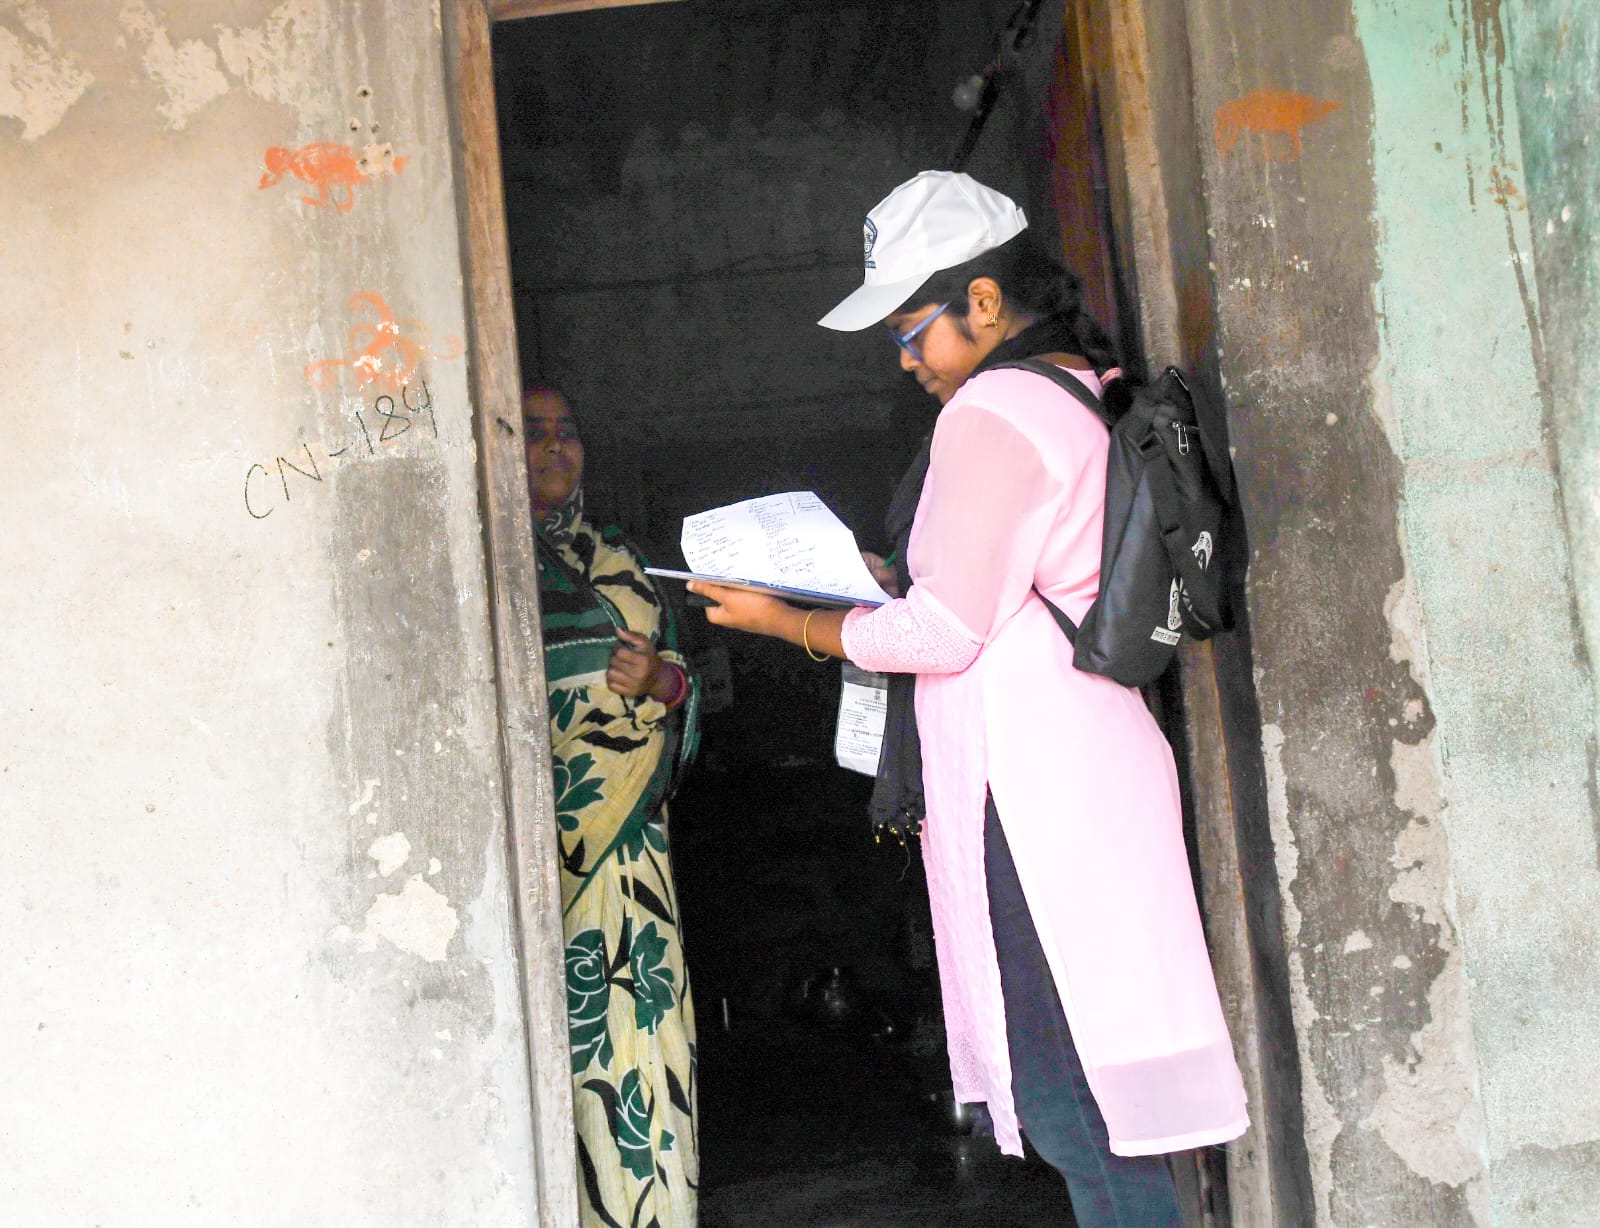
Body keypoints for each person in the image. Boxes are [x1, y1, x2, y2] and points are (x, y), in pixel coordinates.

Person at [688, 172, 1247, 1226]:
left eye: (912, 331)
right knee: (1093, 1088)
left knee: (1064, 1094)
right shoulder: (1077, 386)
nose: (906, 361)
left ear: (982, 303)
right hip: (1078, 766)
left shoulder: (993, 407)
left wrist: (786, 624)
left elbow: (945, 633)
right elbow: (987, 594)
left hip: (1030, 791)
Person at [526, 387, 701, 1228]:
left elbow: (684, 684)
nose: (554, 448)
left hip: (633, 861)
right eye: (532, 433)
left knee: (646, 1047)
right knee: (561, 1051)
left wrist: (660, 683)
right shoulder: (486, 554)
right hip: (540, 855)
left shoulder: (623, 557)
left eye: (567, 432)